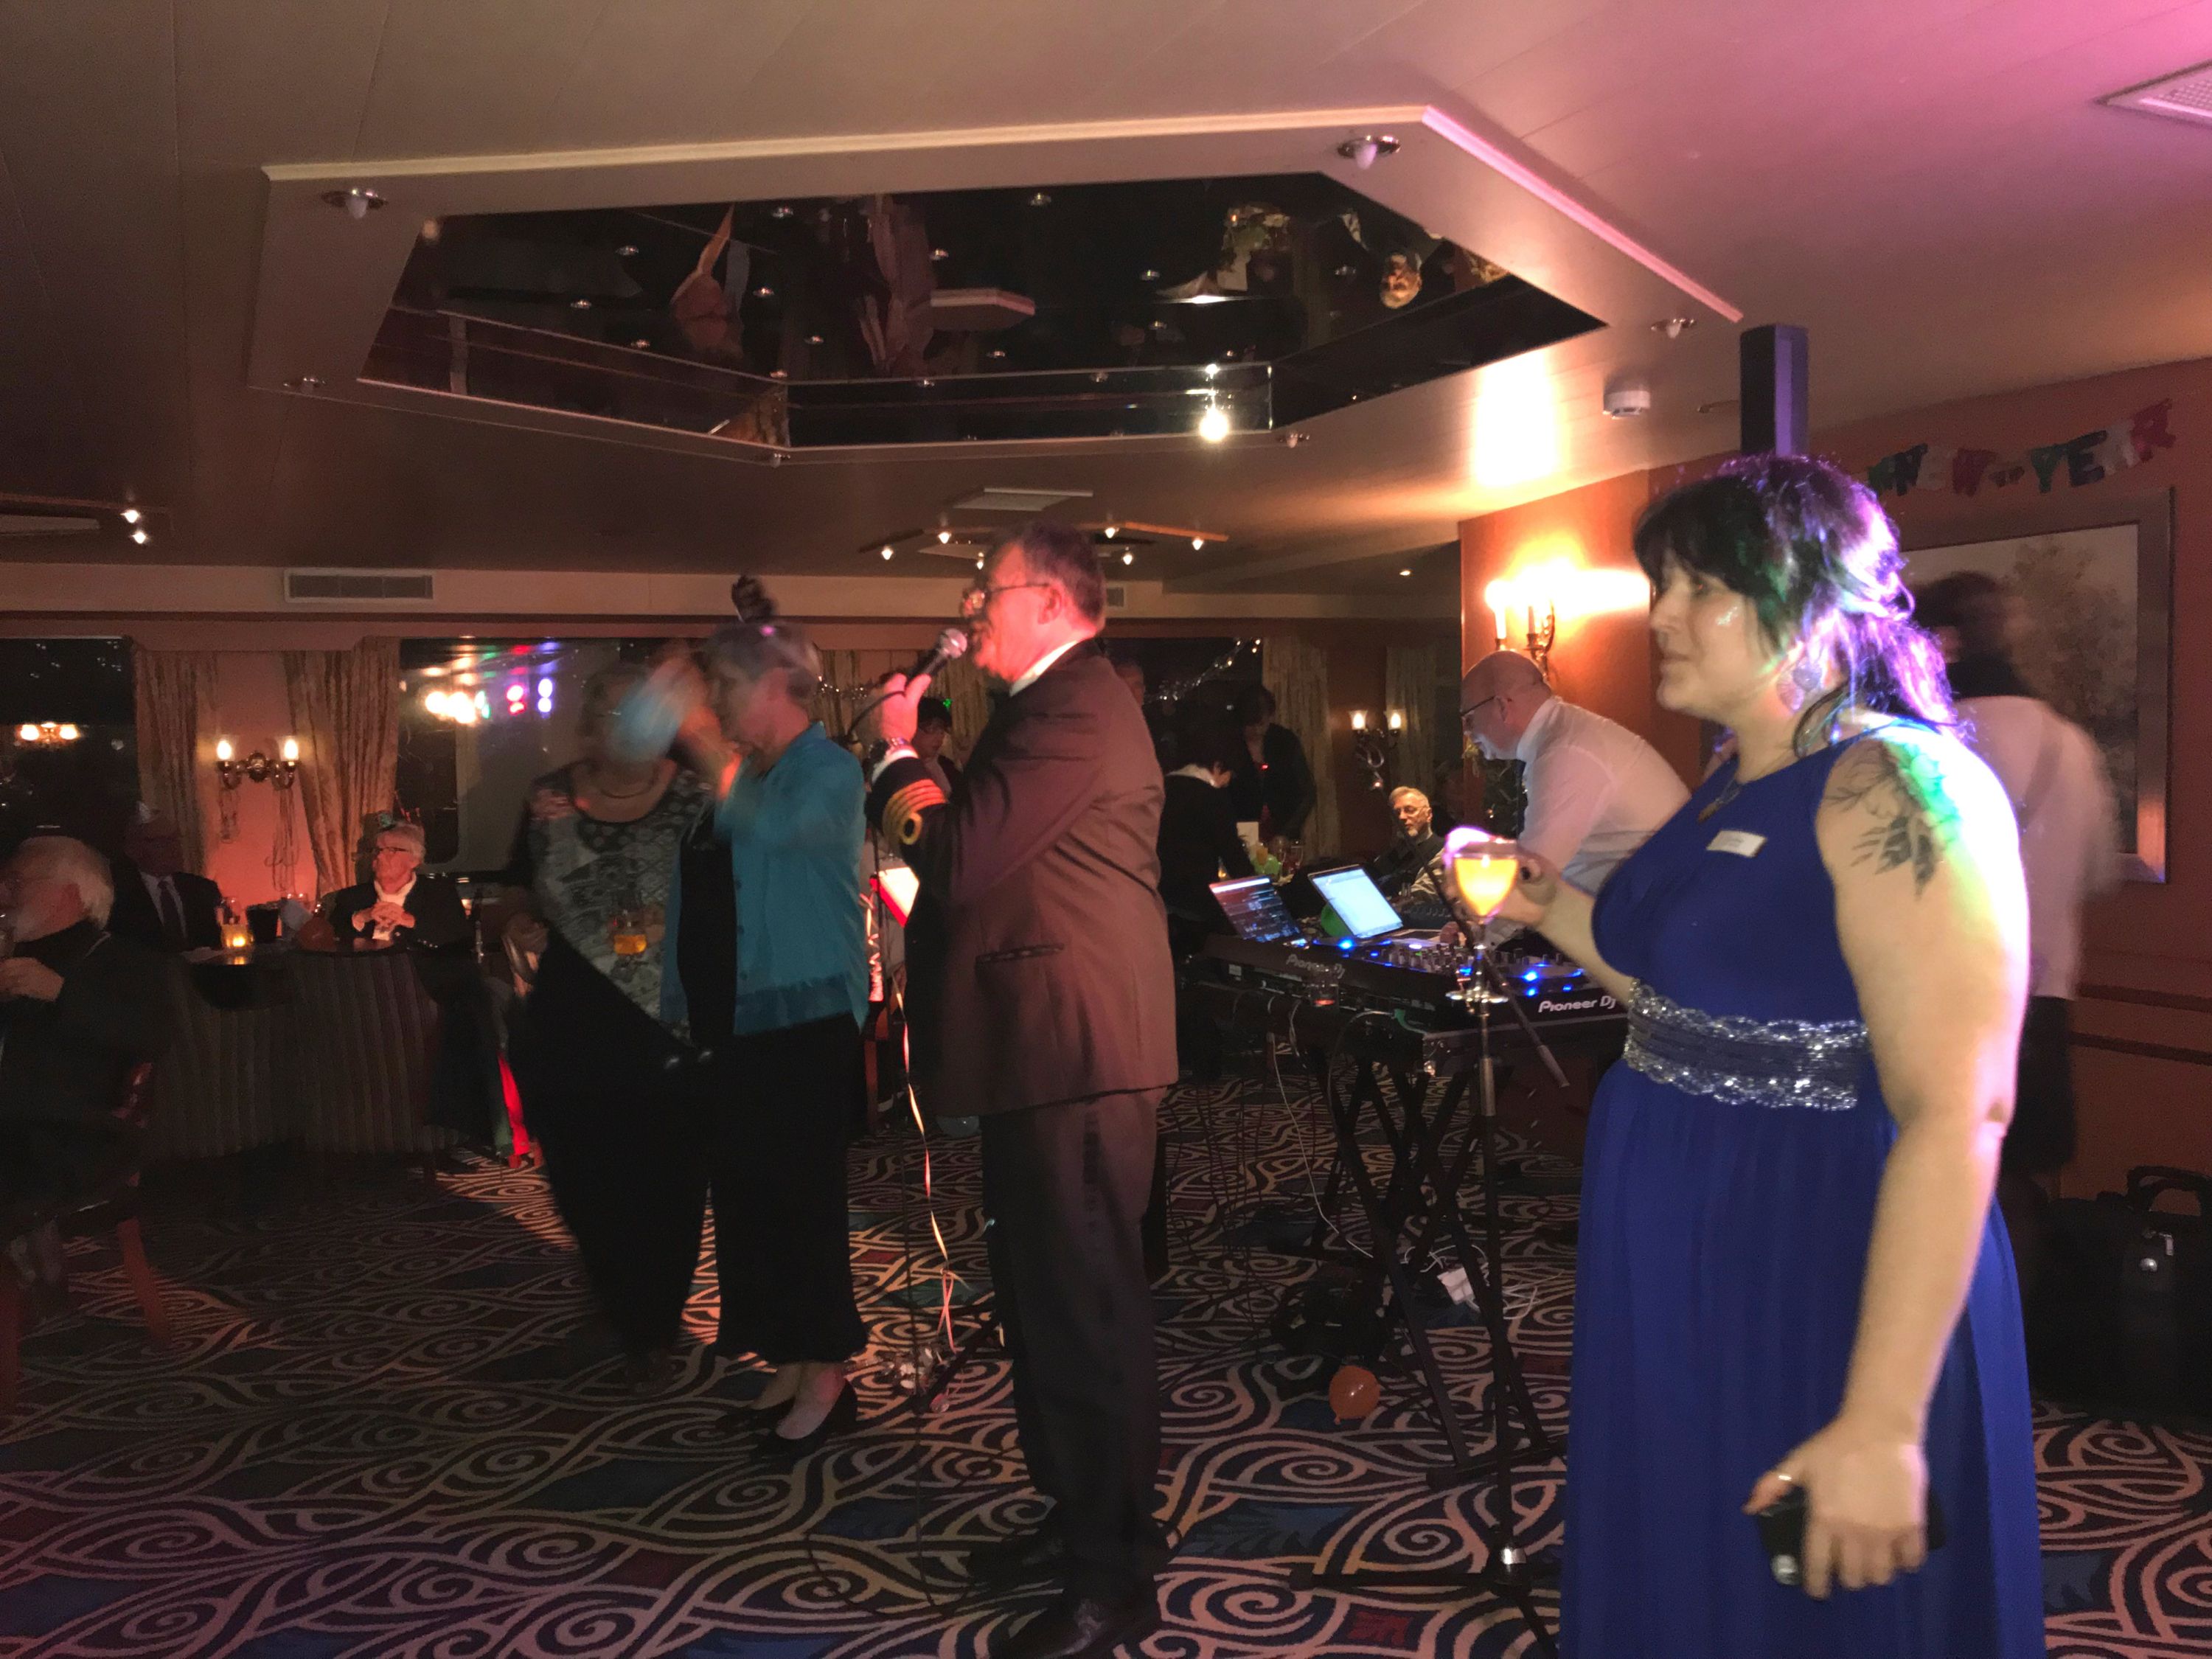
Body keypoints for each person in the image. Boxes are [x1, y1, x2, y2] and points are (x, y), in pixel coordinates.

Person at [1492, 455, 2041, 1657]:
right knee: (1692, 1560)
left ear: (1812, 602)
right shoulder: (1735, 777)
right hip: (1682, 1235)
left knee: (1807, 1605)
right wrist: (1547, 905)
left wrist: (1883, 1419)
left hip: (1807, 1244)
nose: (1661, 615)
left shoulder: (1899, 782)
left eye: (1702, 588)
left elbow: (1961, 1111)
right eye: (1663, 584)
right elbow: (1695, 1004)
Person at [866, 520, 1175, 1659]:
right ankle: (1077, 1520)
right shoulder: (1044, 707)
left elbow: (954, 859)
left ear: (1048, 599)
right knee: (1046, 1308)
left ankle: (1113, 1577)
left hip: (1076, 1055)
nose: (970, 607)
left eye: (984, 590)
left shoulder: (1075, 706)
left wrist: (896, 758)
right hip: (1043, 1051)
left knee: (1085, 1317)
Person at [656, 587, 871, 1453]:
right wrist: (675, 1005)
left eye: (726, 688)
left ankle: (826, 1372)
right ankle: (788, 1357)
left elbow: (779, 832)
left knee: (800, 1201)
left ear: (772, 685)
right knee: (749, 1202)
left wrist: (709, 748)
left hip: (803, 1019)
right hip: (730, 1022)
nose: (715, 705)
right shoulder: (741, 776)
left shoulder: (828, 773)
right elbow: (693, 897)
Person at [501, 664, 716, 1382]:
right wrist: (516, 919)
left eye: (648, 712)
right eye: (620, 714)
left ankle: (651, 1328)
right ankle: (616, 1307)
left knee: (668, 1183)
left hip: (670, 1026)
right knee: (583, 1181)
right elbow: (515, 889)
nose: (636, 727)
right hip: (572, 1022)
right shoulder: (547, 799)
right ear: (592, 724)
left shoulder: (698, 798)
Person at [1916, 569, 2119, 1292]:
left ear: (1940, 642)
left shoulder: (1927, 741)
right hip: (2042, 995)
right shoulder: (2072, 744)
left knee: (1927, 1186)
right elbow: (2097, 873)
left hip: (1939, 994)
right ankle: (2013, 1345)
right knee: (2014, 1190)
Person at [0, 836, 173, 1214]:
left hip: (76, 1134)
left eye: (16, 882)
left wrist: (61, 992)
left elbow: (153, 1035)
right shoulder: (12, 954)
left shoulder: (122, 960)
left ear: (70, 892)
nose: (4, 894)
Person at [1460, 650, 1688, 891]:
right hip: (1648, 900)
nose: (1467, 733)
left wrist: (1474, 910)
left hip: (1658, 907)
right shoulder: (1564, 734)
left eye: (1469, 719)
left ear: (1502, 706)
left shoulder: (1565, 751)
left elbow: (1534, 876)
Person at [1157, 714, 1253, 961]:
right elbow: (1233, 857)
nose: (1227, 783)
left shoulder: (1161, 788)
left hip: (1159, 902)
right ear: (1218, 766)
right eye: (1229, 775)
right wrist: (1259, 897)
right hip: (1197, 907)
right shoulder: (1212, 799)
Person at [319, 823, 470, 950]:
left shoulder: (439, 894)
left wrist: (409, 921)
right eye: (378, 850)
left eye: (391, 850)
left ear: (414, 860)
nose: (379, 856)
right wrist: (360, 918)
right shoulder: (351, 897)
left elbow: (459, 942)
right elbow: (329, 942)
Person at [106, 809, 225, 953]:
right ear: (134, 848)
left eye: (175, 839)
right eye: (161, 841)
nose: (174, 848)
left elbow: (217, 941)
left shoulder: (202, 888)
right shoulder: (117, 895)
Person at [1225, 684, 1315, 844]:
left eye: (1261, 724)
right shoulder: (1231, 745)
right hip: (1241, 836)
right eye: (1251, 725)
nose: (1257, 730)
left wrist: (1287, 832)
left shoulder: (1285, 740)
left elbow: (1308, 791)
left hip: (1283, 833)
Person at [1366, 787, 1444, 901]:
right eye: (1396, 813)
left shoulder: (1444, 851)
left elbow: (1426, 891)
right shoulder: (1386, 857)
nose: (1401, 817)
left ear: (1428, 815)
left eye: (1410, 810)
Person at [911, 695, 962, 794]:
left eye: (942, 730)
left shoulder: (947, 768)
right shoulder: (898, 770)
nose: (939, 737)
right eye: (932, 728)